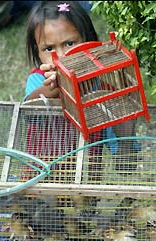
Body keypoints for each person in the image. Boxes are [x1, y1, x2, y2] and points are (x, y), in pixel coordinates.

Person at [22, 0, 139, 182]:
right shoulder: (39, 80)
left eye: (69, 43)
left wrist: (125, 135)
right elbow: (28, 109)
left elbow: (126, 168)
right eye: (49, 48)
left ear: (89, 41)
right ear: (37, 52)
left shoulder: (101, 93)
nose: (61, 56)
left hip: (84, 185)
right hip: (41, 181)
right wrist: (52, 88)